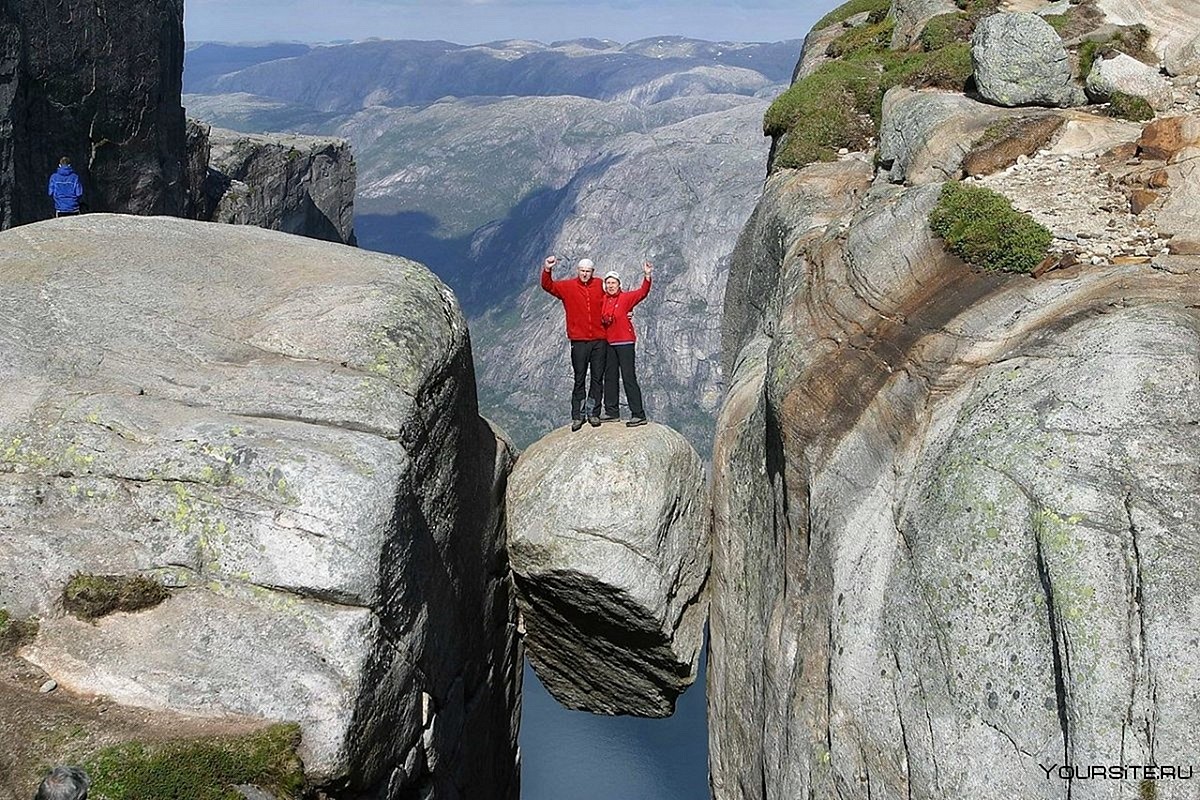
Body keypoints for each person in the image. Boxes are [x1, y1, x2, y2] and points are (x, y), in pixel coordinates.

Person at [540, 255, 606, 431]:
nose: (585, 274)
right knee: (579, 378)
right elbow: (548, 286)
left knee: (597, 378)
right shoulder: (568, 287)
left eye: (588, 271)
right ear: (578, 271)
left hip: (599, 340)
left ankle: (593, 413)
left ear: (593, 272)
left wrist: (626, 313)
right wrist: (547, 269)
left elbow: (616, 297)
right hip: (579, 341)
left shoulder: (600, 284)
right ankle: (578, 415)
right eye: (582, 271)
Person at [600, 261, 652, 427]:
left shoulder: (626, 298)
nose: (610, 286)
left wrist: (647, 275)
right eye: (608, 283)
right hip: (609, 342)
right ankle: (611, 411)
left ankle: (638, 414)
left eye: (613, 283)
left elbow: (642, 292)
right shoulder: (602, 300)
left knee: (629, 377)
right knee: (610, 377)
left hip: (625, 342)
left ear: (619, 284)